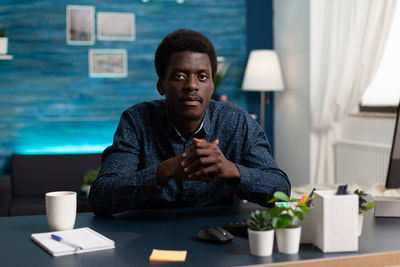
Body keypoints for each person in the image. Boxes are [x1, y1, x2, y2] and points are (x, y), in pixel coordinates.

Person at [88, 29, 290, 216]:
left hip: (221, 243)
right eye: (180, 76)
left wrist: (231, 170)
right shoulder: (137, 121)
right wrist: (164, 171)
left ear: (211, 86)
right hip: (147, 238)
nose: (192, 85)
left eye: (202, 77)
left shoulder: (236, 121)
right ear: (161, 85)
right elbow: (100, 197)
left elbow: (281, 189)